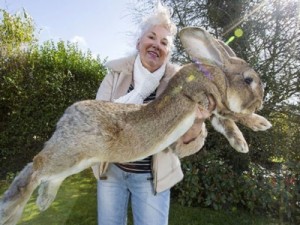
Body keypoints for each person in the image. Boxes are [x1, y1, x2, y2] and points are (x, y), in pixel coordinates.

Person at [92, 3, 215, 225]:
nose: (156, 45)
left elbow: (182, 146)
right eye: (152, 37)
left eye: (164, 42)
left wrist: (197, 122)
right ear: (139, 42)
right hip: (112, 172)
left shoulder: (180, 85)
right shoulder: (115, 75)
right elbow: (97, 122)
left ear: (168, 53)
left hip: (151, 178)